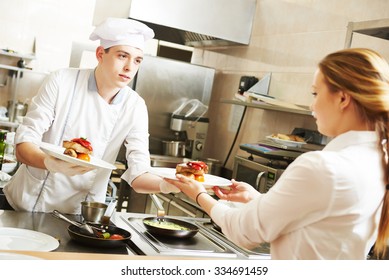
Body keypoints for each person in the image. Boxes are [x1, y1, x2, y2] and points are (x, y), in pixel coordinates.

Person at [165, 48, 389, 260]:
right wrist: (259, 199)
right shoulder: (377, 159)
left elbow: (243, 231)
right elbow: (323, 217)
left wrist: (198, 194)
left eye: (315, 93)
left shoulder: (323, 166)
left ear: (342, 98)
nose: (312, 105)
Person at [1, 18, 179, 213]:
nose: (130, 67)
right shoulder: (61, 81)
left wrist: (167, 185)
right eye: (122, 56)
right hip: (26, 204)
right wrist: (50, 164)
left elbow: (138, 174)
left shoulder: (135, 106)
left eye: (137, 60)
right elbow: (24, 144)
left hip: (80, 216)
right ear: (101, 54)